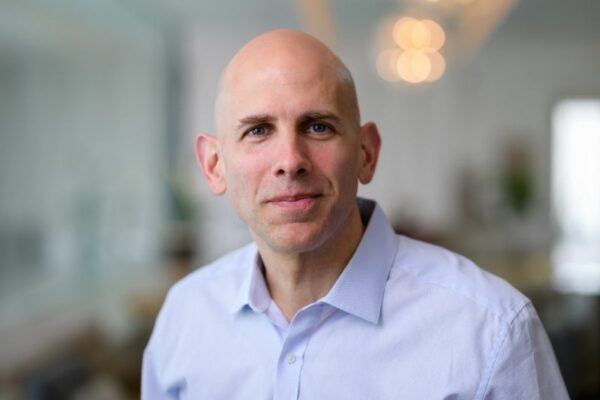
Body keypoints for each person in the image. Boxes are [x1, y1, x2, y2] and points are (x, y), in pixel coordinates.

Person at [142, 29, 568, 399]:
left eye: (318, 126)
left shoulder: (491, 328)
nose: (290, 161)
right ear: (214, 165)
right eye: (258, 130)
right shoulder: (185, 316)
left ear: (366, 153)